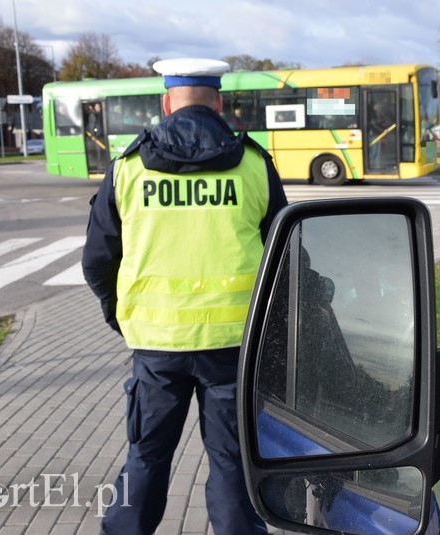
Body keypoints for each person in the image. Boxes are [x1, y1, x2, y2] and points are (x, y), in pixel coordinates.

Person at [81, 58, 287, 535]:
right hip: (234, 349)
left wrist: (124, 316)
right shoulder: (255, 165)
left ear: (166, 103)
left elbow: (97, 261)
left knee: (147, 456)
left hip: (156, 348)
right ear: (218, 102)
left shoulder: (128, 167)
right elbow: (287, 253)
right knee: (234, 464)